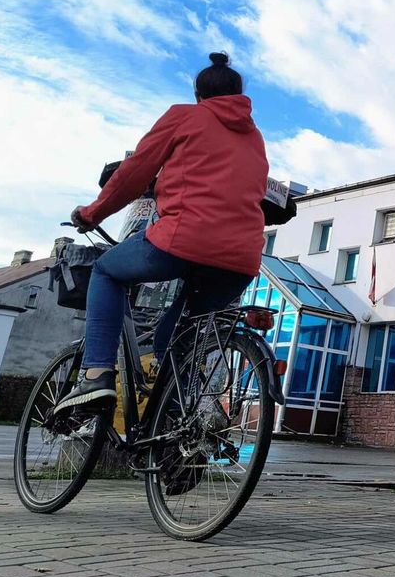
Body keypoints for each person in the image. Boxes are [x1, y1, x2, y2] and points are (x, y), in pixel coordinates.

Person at [55, 52, 269, 412]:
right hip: (242, 259)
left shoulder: (185, 116)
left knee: (106, 272)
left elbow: (134, 172)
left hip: (183, 238)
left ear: (199, 95)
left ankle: (95, 375)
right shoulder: (255, 137)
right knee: (177, 335)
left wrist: (92, 214)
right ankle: (176, 426)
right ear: (239, 96)